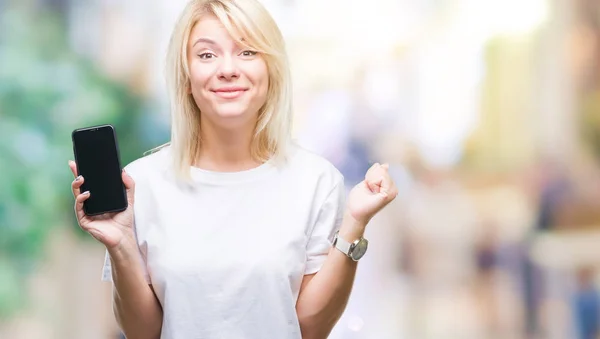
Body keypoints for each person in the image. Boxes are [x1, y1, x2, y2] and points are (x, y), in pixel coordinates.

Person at [67, 0, 397, 338]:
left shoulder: (316, 181)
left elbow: (310, 328)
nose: (227, 69)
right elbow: (143, 333)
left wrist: (355, 223)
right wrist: (121, 243)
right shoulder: (141, 183)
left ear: (271, 69)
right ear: (186, 76)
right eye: (207, 55)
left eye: (247, 52)